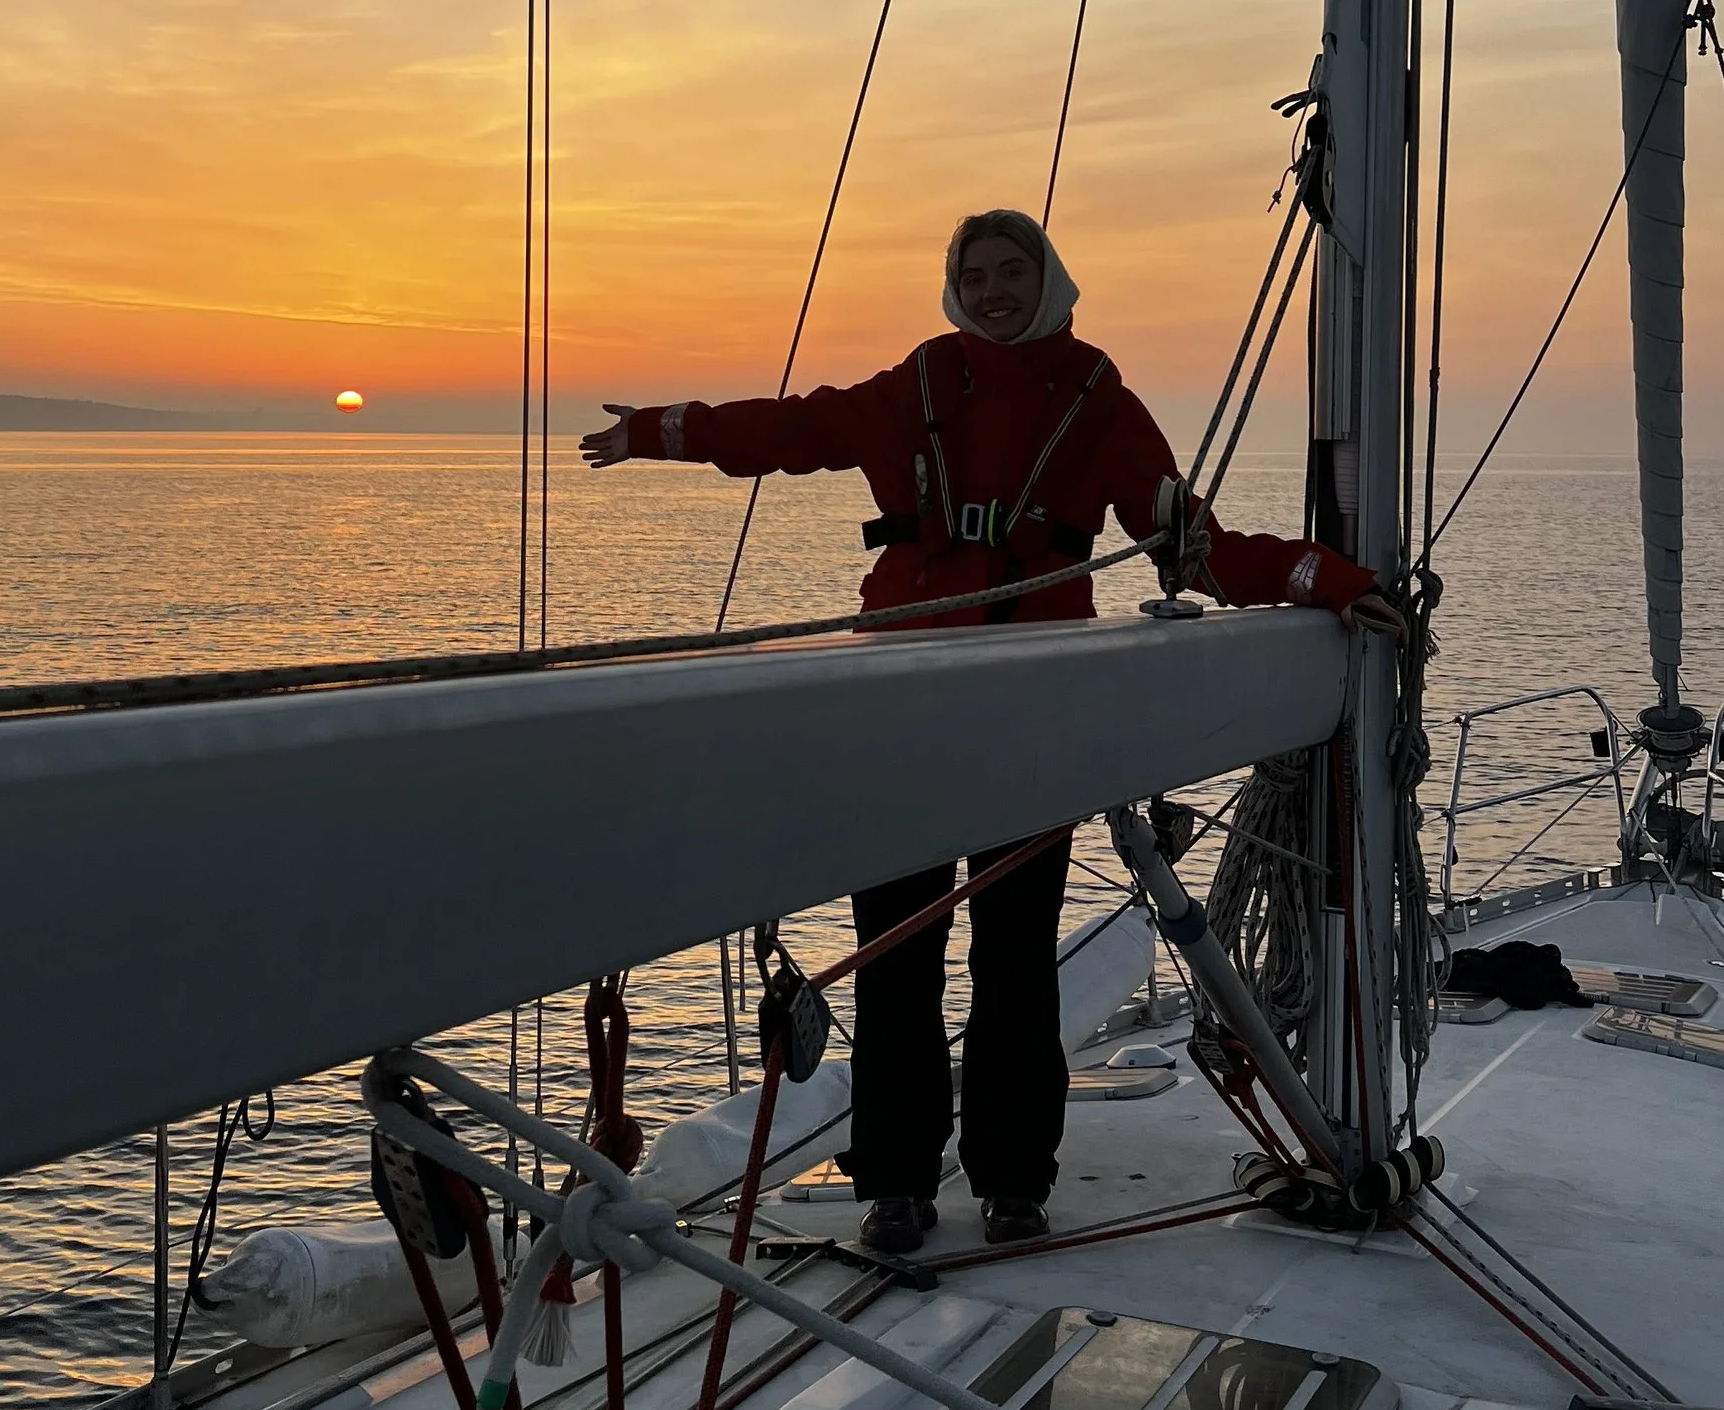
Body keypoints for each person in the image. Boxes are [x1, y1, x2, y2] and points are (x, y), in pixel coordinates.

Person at [580, 206, 1395, 1258]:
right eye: (975, 273)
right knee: (898, 954)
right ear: (953, 286)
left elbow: (1187, 545)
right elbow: (793, 430)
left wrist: (1326, 582)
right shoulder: (916, 385)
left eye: (1012, 271)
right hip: (904, 700)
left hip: (1028, 711)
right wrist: (658, 432)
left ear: (1049, 278)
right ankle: (898, 1186)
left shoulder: (1096, 398)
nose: (993, 289)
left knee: (1013, 957)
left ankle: (1015, 1181)